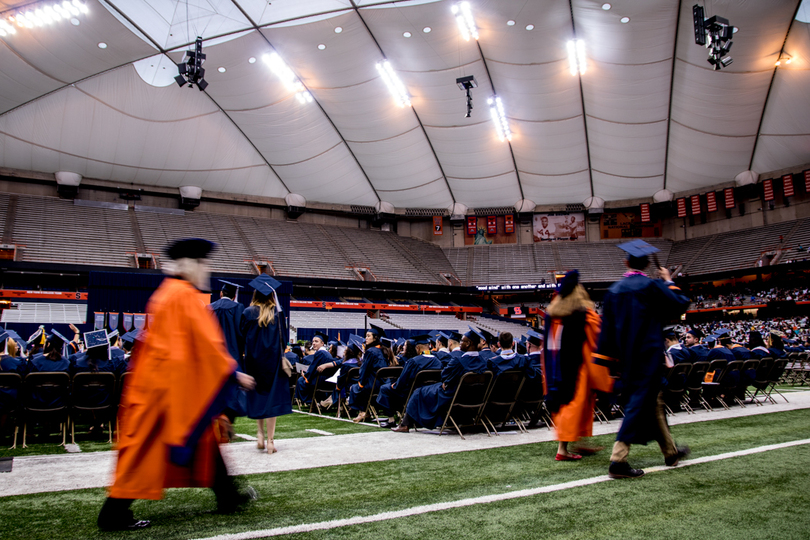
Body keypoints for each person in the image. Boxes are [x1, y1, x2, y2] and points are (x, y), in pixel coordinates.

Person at [97, 238, 257, 531]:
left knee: (204, 444)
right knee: (145, 456)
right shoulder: (182, 296)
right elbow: (207, 346)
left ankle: (228, 496)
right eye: (203, 263)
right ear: (189, 264)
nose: (206, 268)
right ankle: (113, 514)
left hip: (159, 386)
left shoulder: (166, 293)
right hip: (166, 394)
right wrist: (233, 372)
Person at [595, 239, 691, 479]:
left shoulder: (614, 291)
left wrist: (607, 363)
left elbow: (605, 333)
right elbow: (681, 304)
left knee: (653, 401)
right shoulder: (651, 286)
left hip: (625, 359)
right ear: (648, 263)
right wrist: (668, 280)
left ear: (626, 261)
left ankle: (670, 452)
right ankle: (618, 459)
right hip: (648, 356)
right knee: (639, 404)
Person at [542, 271, 601, 460]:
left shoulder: (552, 313)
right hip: (576, 367)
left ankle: (579, 443)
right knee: (573, 406)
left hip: (555, 367)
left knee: (571, 405)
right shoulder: (582, 313)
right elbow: (595, 339)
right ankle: (563, 450)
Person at [392, 326, 488, 433]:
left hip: (453, 395)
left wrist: (446, 381)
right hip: (475, 397)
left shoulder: (458, 361)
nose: (460, 343)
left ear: (469, 343)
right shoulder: (483, 362)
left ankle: (405, 424)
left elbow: (444, 375)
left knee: (418, 392)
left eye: (462, 341)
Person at [240, 274, 292, 454]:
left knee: (258, 397)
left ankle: (260, 435)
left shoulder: (248, 312)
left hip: (254, 361)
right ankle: (271, 441)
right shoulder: (278, 312)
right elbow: (284, 340)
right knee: (271, 400)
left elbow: (242, 336)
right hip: (273, 362)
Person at [376, 334, 442, 428]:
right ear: (429, 347)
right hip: (432, 393)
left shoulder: (414, 361)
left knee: (384, 388)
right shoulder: (437, 361)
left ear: (418, 348)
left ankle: (391, 420)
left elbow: (403, 381)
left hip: (412, 393)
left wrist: (394, 386)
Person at [210, 279, 247, 421]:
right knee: (230, 392)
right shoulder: (238, 308)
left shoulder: (209, 308)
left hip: (212, 357)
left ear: (220, 293)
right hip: (232, 357)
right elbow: (242, 333)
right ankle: (227, 423)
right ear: (233, 296)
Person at [349, 324, 392, 423]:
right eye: (366, 336)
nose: (366, 338)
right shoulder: (383, 350)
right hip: (383, 384)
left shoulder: (371, 351)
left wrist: (361, 383)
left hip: (373, 385)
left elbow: (364, 370)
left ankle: (363, 412)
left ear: (375, 338)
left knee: (355, 387)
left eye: (368, 336)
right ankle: (365, 412)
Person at [294, 332, 335, 405]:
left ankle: (309, 401)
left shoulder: (320, 353)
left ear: (322, 343)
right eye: (313, 341)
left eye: (316, 341)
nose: (313, 343)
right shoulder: (326, 353)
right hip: (327, 382)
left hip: (320, 381)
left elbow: (312, 369)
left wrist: (305, 375)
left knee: (301, 380)